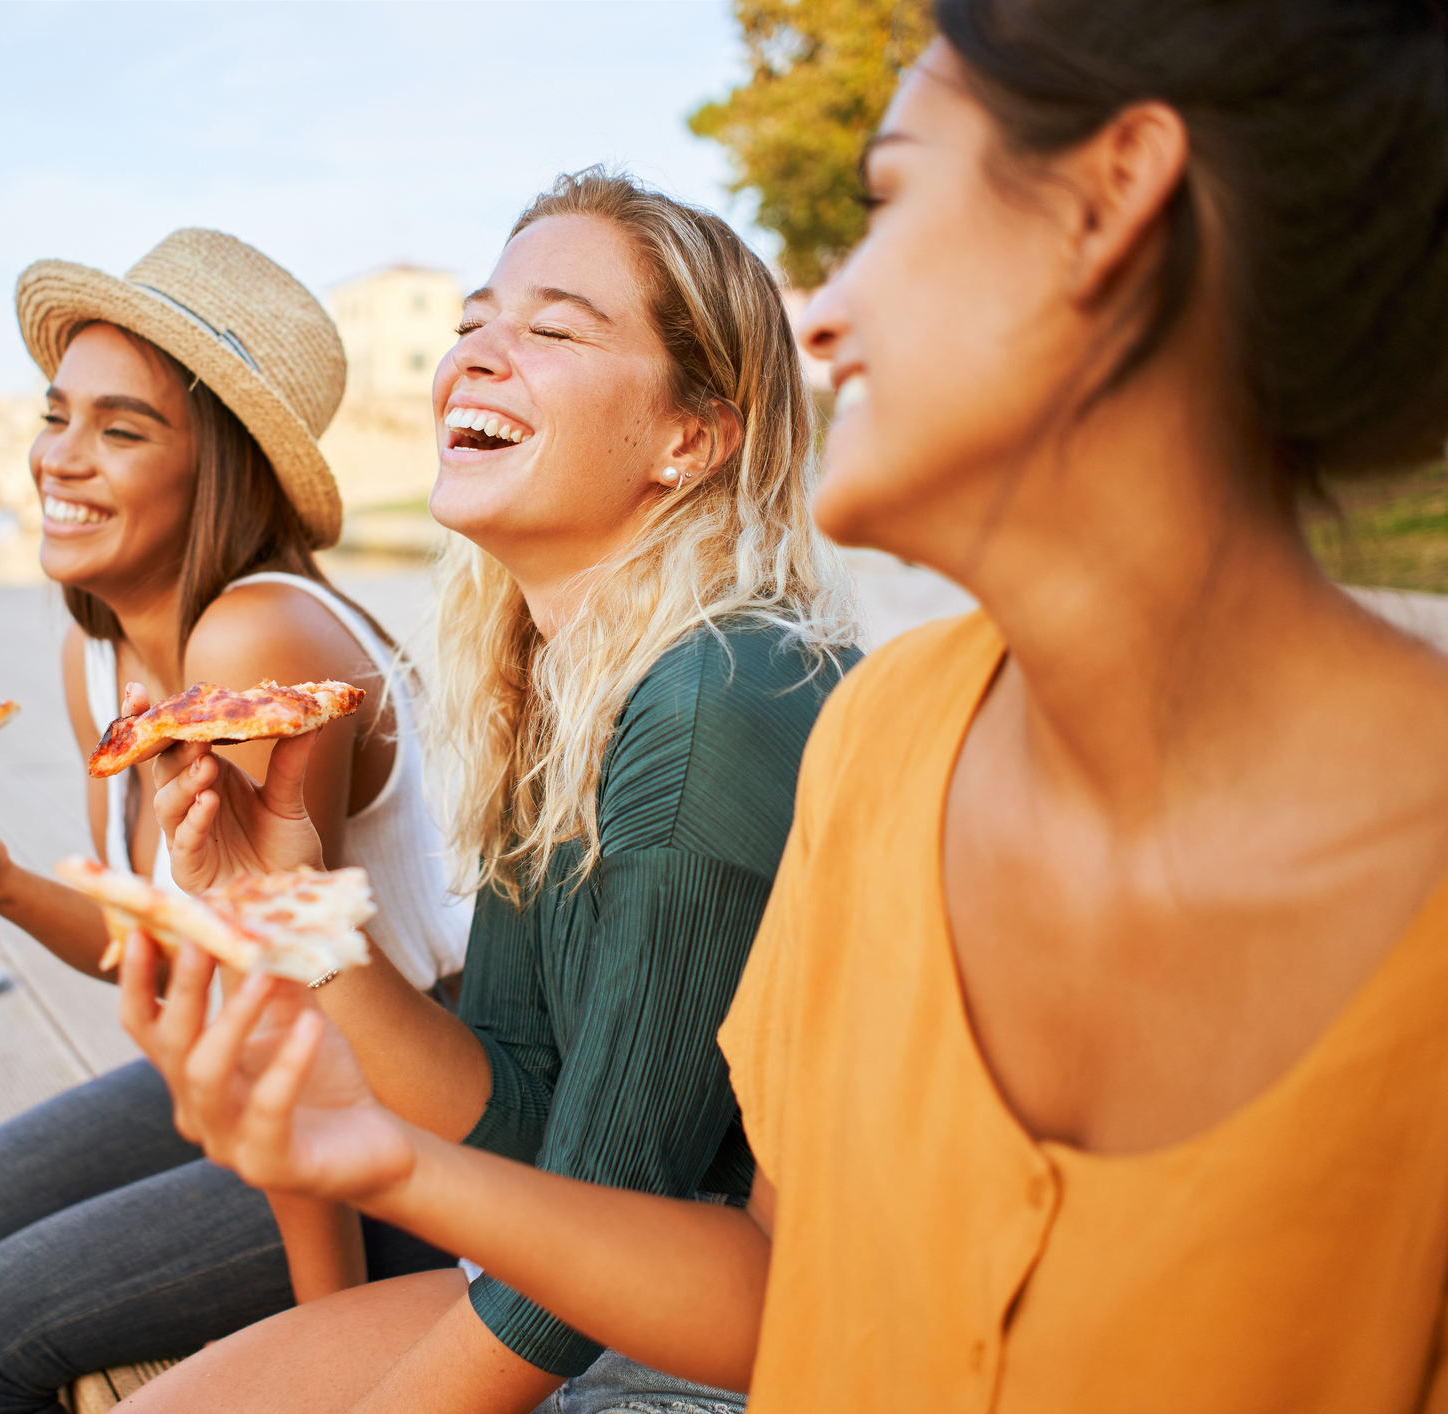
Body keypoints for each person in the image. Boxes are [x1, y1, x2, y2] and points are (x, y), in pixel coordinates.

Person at [143, 2, 1448, 1410]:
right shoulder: (886, 741)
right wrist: (380, 1140)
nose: (820, 313)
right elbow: (776, 1288)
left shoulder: (747, 698)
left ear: (1110, 203)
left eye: (887, 201)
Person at [120, 168, 862, 1413]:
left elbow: (601, 1238)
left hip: (774, 1354)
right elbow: (521, 1114)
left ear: (694, 435)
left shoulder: (712, 705)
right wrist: (298, 911)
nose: (476, 354)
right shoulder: (563, 680)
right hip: (603, 1291)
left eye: (554, 328)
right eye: (472, 320)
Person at [0, 228, 469, 1414]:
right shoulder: (96, 655)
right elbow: (161, 942)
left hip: (400, 1114)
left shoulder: (261, 644)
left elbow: (295, 1018)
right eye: (56, 415)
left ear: (218, 469)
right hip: (250, 1062)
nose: (60, 459)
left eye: (120, 429)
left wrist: (327, 1343)